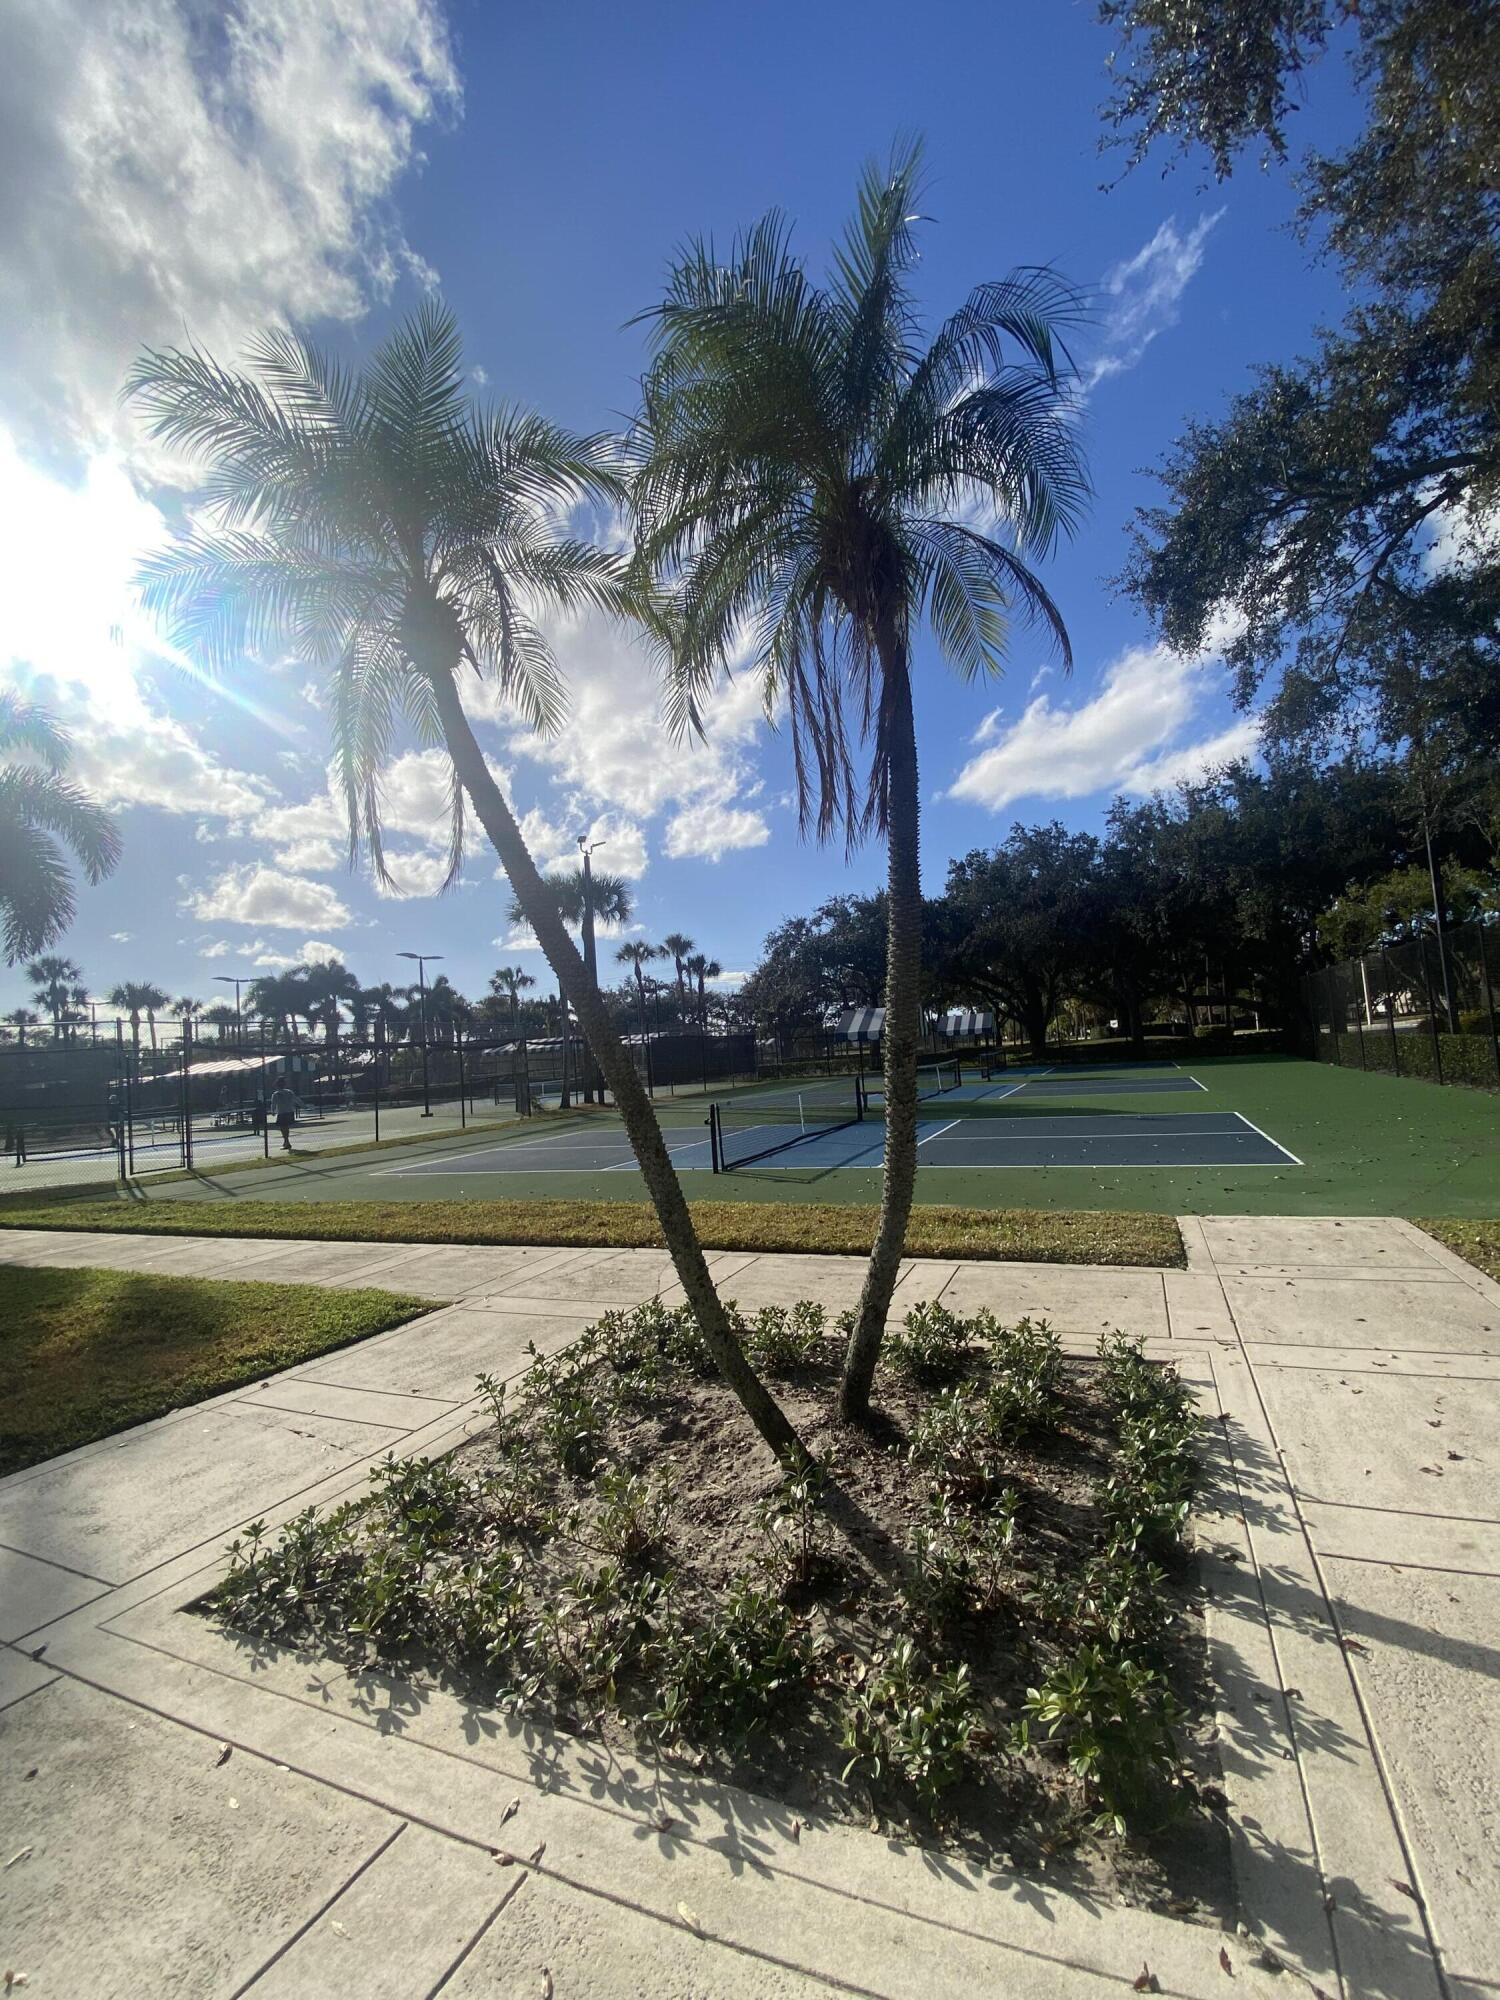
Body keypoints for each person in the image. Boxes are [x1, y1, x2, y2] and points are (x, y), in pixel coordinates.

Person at [268, 1081, 299, 1152]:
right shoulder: (289, 1092)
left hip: (282, 1112)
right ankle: (286, 1142)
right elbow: (296, 1099)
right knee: (286, 1127)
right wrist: (304, 1106)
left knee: (283, 1128)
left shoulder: (276, 1094)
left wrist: (272, 1111)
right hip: (290, 1111)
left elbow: (273, 1104)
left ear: (276, 1086)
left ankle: (286, 1142)